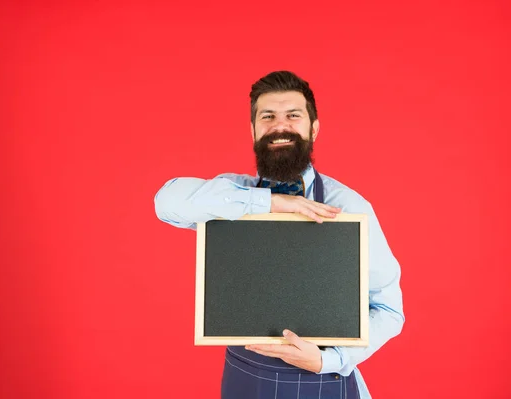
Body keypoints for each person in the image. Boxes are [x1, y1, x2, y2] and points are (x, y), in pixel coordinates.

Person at [154, 70, 404, 398]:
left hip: (322, 380)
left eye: (293, 116)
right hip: (244, 378)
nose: (280, 125)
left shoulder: (348, 206)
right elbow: (166, 202)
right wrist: (268, 202)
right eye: (267, 116)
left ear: (313, 128)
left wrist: (331, 359)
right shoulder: (228, 196)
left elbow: (389, 310)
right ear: (254, 129)